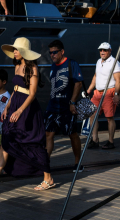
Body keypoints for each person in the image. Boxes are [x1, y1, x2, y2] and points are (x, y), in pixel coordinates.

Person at [0, 37, 54, 192]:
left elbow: (32, 94)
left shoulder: (33, 69)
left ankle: (48, 178)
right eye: (14, 49)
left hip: (28, 109)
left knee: (34, 144)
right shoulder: (17, 66)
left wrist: (19, 110)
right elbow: (16, 90)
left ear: (24, 52)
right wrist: (8, 107)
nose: (14, 52)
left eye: (16, 49)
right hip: (15, 105)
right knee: (6, 143)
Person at [45, 40, 83, 171]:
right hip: (53, 106)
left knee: (72, 134)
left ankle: (78, 162)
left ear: (62, 52)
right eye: (50, 53)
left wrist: (72, 102)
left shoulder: (71, 64)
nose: (52, 55)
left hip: (67, 107)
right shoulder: (52, 66)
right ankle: (45, 163)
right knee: (48, 134)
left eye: (55, 52)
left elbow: (78, 84)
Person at [86, 42, 120, 150]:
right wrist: (89, 89)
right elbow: (95, 76)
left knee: (109, 117)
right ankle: (95, 140)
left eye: (105, 50)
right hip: (97, 92)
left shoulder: (115, 62)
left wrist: (116, 94)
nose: (102, 52)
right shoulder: (98, 61)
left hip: (109, 92)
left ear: (110, 51)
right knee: (92, 114)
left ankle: (111, 142)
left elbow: (119, 80)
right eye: (101, 50)